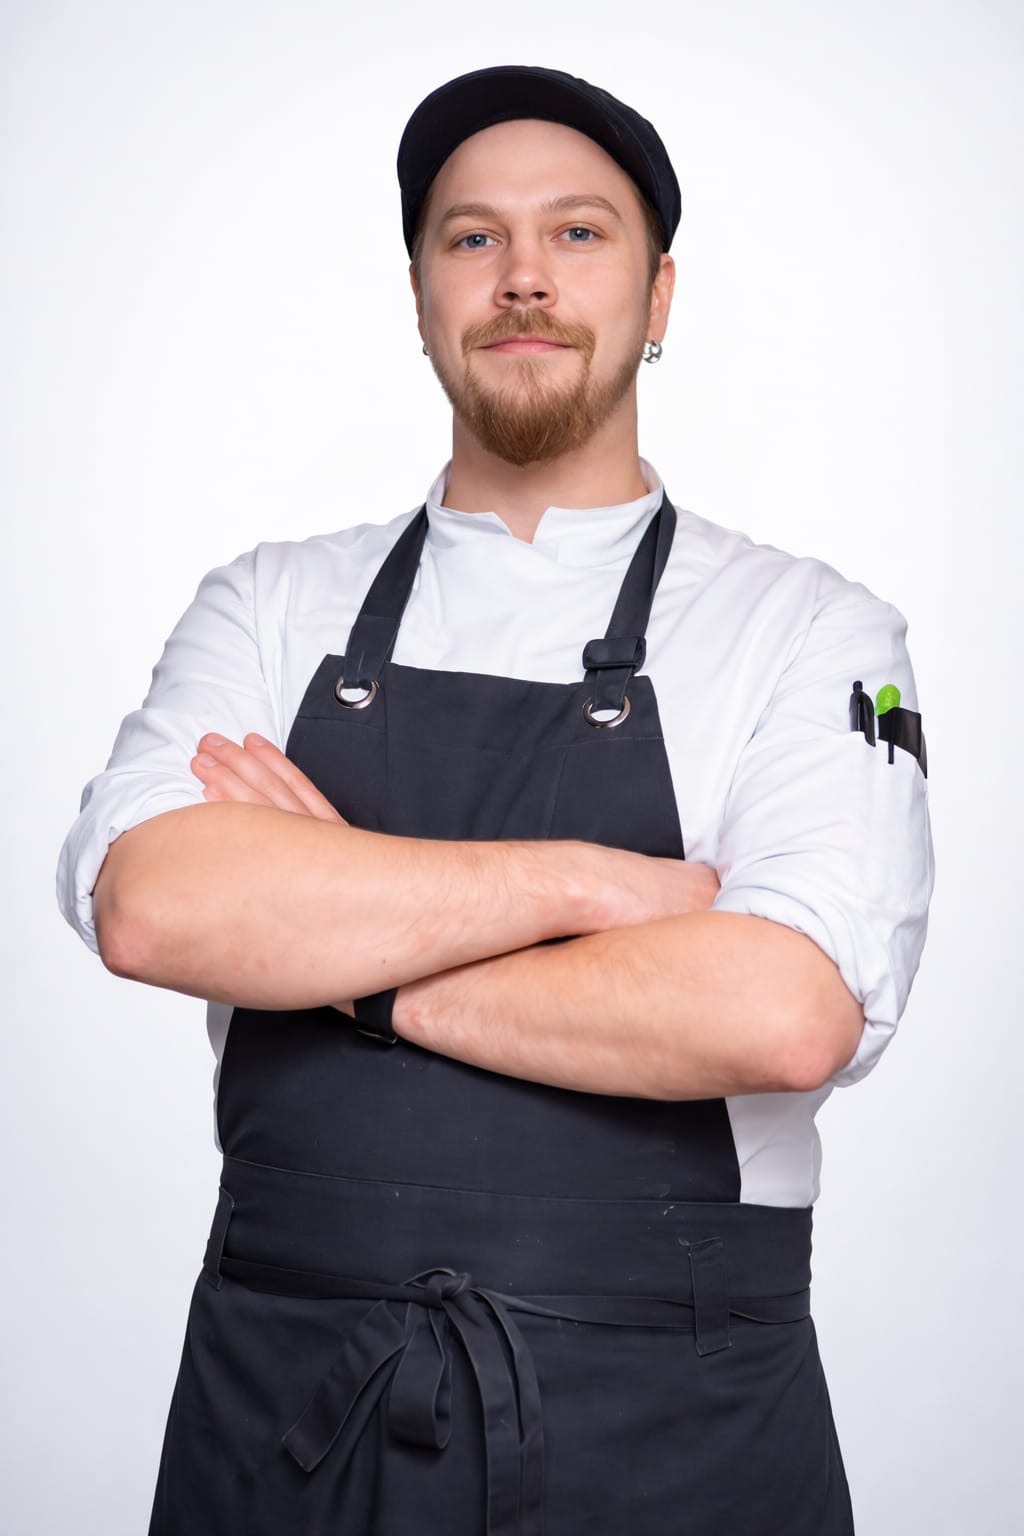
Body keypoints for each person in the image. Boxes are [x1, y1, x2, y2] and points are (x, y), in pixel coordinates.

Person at [57, 65, 933, 1536]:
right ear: (420, 297)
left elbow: (781, 1013)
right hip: (288, 1419)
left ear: (660, 296)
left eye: (578, 233)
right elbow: (153, 905)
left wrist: (345, 962)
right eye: (473, 238)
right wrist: (586, 886)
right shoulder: (269, 604)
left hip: (677, 1429)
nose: (524, 275)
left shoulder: (812, 631)